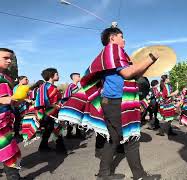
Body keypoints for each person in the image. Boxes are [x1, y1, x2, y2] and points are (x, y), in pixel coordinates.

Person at [59, 24, 160, 180]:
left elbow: (134, 73)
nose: (124, 39)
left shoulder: (115, 54)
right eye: (121, 36)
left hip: (112, 102)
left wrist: (148, 63)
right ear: (112, 38)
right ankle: (139, 176)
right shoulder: (112, 50)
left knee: (113, 139)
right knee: (131, 138)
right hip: (116, 102)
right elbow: (128, 73)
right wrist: (151, 58)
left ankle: (104, 174)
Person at [0, 48, 23, 180]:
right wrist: (4, 100)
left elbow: (9, 98)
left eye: (10, 58)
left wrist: (15, 102)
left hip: (6, 120)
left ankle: (14, 177)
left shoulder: (7, 78)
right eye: (5, 58)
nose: (9, 61)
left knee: (10, 149)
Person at [35, 68, 66, 153]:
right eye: (57, 74)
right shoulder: (44, 86)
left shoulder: (53, 87)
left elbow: (58, 99)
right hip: (48, 113)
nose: (58, 76)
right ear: (51, 76)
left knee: (49, 129)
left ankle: (43, 146)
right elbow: (42, 100)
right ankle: (61, 149)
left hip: (54, 111)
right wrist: (54, 105)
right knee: (57, 129)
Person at [63, 73, 83, 139]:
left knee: (75, 119)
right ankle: (70, 134)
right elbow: (68, 96)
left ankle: (76, 133)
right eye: (78, 76)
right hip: (72, 106)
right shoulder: (72, 86)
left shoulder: (74, 86)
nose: (80, 77)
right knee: (73, 119)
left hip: (74, 105)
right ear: (74, 77)